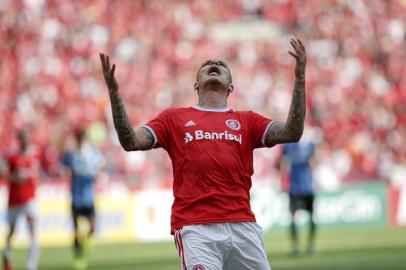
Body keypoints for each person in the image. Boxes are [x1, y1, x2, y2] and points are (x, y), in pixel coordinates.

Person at [100, 37, 306, 270]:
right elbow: (131, 141)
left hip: (243, 226)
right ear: (196, 85)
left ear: (231, 87)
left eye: (222, 65)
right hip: (196, 228)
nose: (214, 63)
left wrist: (299, 80)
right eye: (206, 64)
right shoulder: (173, 119)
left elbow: (292, 132)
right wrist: (115, 95)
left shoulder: (247, 120)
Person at [61, 129, 105, 270]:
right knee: (76, 230)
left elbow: (102, 165)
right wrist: (64, 171)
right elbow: (62, 168)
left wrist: (98, 172)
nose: (81, 141)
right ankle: (78, 258)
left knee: (92, 226)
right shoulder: (71, 154)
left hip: (88, 197)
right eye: (79, 139)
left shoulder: (91, 153)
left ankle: (87, 241)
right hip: (75, 198)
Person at [1, 130, 40, 270]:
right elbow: (3, 175)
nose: (25, 142)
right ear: (19, 140)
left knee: (33, 229)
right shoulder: (12, 156)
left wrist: (32, 176)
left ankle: (31, 265)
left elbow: (37, 172)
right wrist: (15, 178)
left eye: (27, 139)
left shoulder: (35, 153)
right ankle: (6, 253)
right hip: (15, 199)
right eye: (23, 139)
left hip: (30, 198)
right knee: (12, 230)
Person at [280, 137, 316, 257]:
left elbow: (315, 160)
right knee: (293, 218)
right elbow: (282, 164)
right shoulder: (288, 146)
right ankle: (296, 246)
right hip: (295, 187)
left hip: (307, 187)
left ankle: (310, 245)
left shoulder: (309, 144)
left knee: (312, 218)